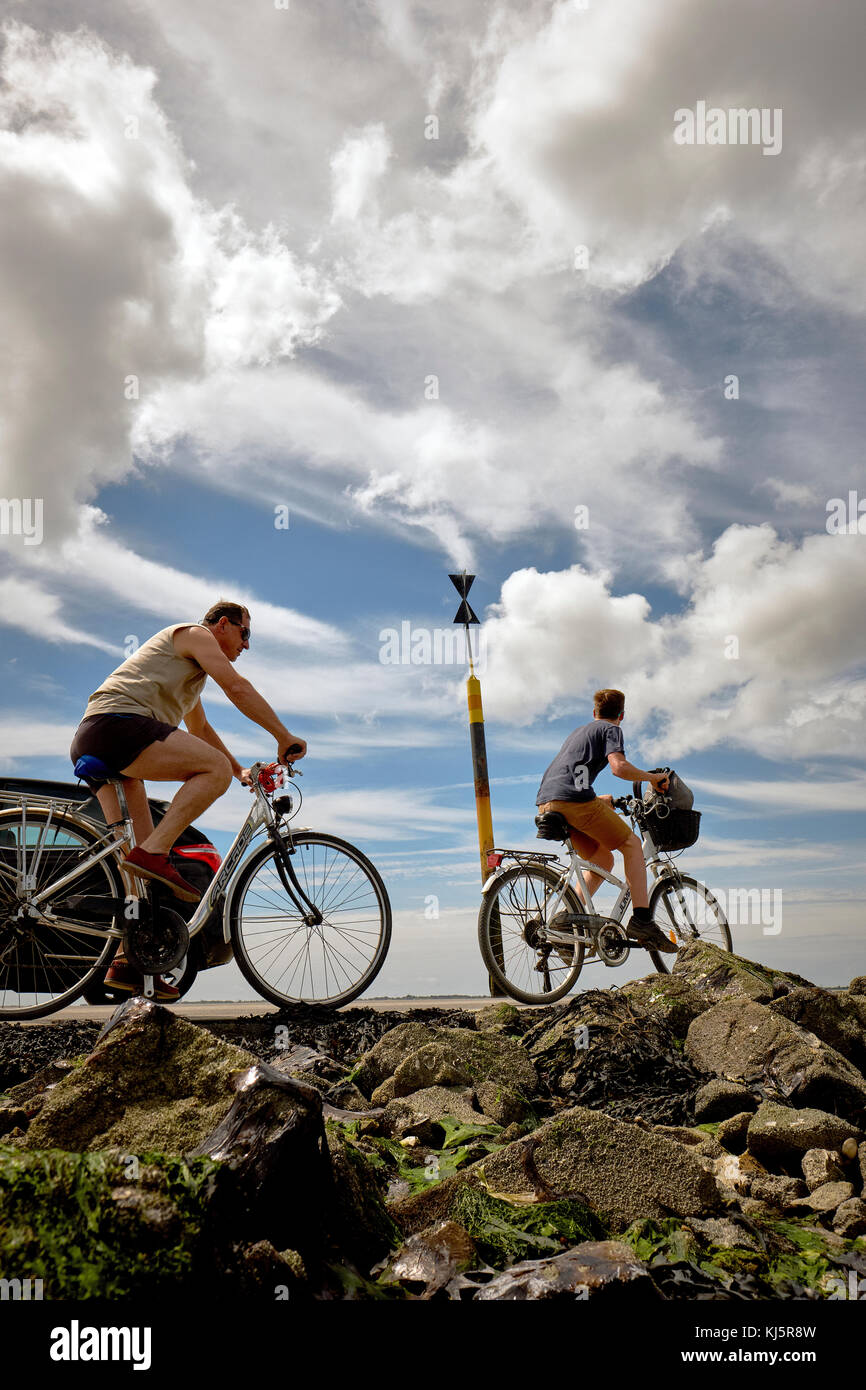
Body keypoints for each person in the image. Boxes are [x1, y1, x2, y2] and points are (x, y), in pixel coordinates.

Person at [69, 600, 307, 1000]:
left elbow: (199, 729)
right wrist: (283, 736)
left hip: (101, 739)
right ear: (223, 625)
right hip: (117, 726)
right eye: (245, 634)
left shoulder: (187, 676)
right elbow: (237, 687)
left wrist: (238, 771)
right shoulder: (194, 635)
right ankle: (157, 852)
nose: (245, 646)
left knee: (137, 873)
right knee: (173, 824)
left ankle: (129, 963)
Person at [535, 687, 676, 953]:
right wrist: (653, 778)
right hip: (573, 802)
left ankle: (566, 921)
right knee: (631, 845)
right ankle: (643, 921)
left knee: (603, 859)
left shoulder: (579, 732)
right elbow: (618, 767)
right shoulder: (611, 730)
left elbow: (570, 778)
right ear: (621, 715)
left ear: (594, 712)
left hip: (547, 802)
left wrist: (599, 800)